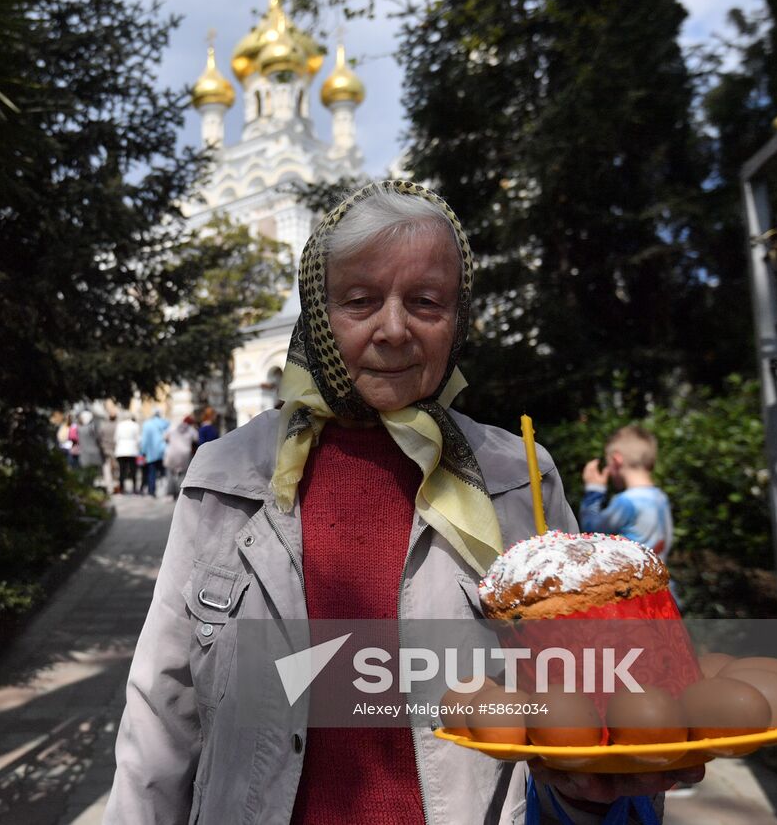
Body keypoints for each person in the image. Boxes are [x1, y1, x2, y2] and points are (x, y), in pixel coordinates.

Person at [104, 181, 702, 824]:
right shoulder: (230, 474)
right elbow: (163, 709)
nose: (394, 330)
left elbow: (576, 693)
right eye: (360, 301)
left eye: (426, 302)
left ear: (458, 318)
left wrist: (591, 784)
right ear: (317, 310)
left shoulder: (516, 477)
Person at [581, 425, 674, 559]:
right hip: (658, 576)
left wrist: (594, 491)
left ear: (616, 460)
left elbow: (590, 531)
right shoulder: (660, 497)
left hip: (632, 578)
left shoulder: (626, 502)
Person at [162, 414, 199, 499]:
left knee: (170, 473)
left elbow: (164, 437)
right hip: (185, 454)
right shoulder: (191, 429)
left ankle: (170, 492)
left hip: (171, 453)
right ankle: (180, 492)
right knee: (183, 474)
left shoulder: (172, 428)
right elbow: (196, 438)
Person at [139, 408, 170, 497]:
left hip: (151, 453)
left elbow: (144, 440)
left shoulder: (147, 424)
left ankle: (151, 491)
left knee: (151, 472)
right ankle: (166, 490)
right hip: (163, 451)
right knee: (164, 472)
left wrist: (143, 451)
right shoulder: (166, 423)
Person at [114, 410, 142, 495]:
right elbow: (138, 439)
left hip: (121, 450)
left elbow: (116, 438)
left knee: (122, 471)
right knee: (133, 470)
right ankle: (134, 488)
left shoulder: (119, 425)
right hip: (132, 450)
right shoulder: (135, 425)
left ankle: (122, 488)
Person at [76, 410, 105, 484]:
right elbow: (98, 438)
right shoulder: (92, 428)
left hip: (84, 453)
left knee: (87, 473)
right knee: (95, 474)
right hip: (94, 453)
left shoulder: (79, 428)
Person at [96, 405, 119, 493]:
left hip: (105, 449)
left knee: (107, 469)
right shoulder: (117, 426)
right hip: (115, 449)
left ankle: (109, 487)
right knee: (115, 469)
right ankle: (116, 486)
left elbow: (99, 438)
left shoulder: (103, 426)